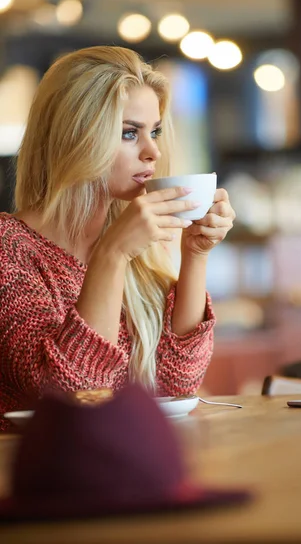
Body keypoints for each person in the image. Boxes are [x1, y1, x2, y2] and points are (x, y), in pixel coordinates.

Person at [0, 46, 236, 431]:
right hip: (32, 479)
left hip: (121, 464)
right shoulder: (9, 248)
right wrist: (112, 254)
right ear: (75, 136)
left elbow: (176, 383)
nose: (153, 151)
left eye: (154, 131)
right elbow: (72, 395)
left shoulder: (135, 242)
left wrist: (196, 252)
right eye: (129, 133)